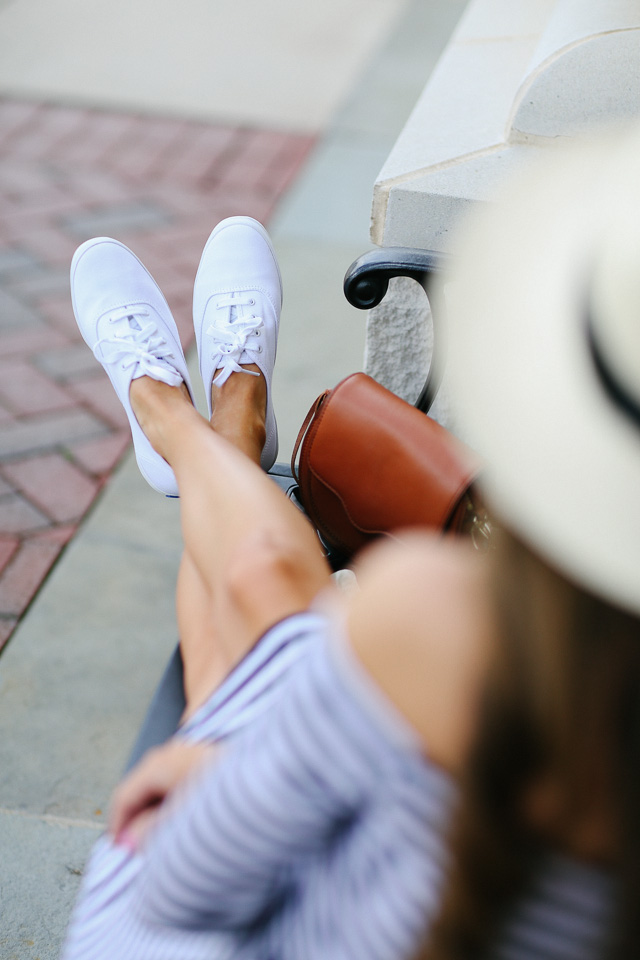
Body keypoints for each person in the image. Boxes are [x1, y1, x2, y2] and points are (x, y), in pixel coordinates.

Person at [61, 120, 640, 960]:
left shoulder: (439, 617)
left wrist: (211, 761)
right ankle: (225, 413)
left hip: (208, 926)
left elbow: (185, 882)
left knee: (255, 598)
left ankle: (180, 419)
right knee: (266, 593)